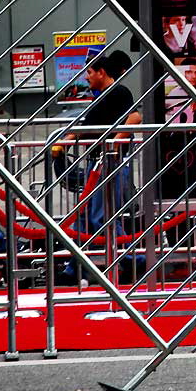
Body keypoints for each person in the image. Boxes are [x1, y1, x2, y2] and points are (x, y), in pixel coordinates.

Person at [51, 51, 141, 283]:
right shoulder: (100, 97)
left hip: (110, 163)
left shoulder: (118, 91)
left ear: (102, 72)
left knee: (102, 218)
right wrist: (64, 141)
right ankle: (74, 268)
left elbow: (134, 118)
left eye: (90, 72)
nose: (86, 77)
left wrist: (113, 145)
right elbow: (85, 126)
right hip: (99, 163)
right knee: (85, 217)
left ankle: (134, 261)